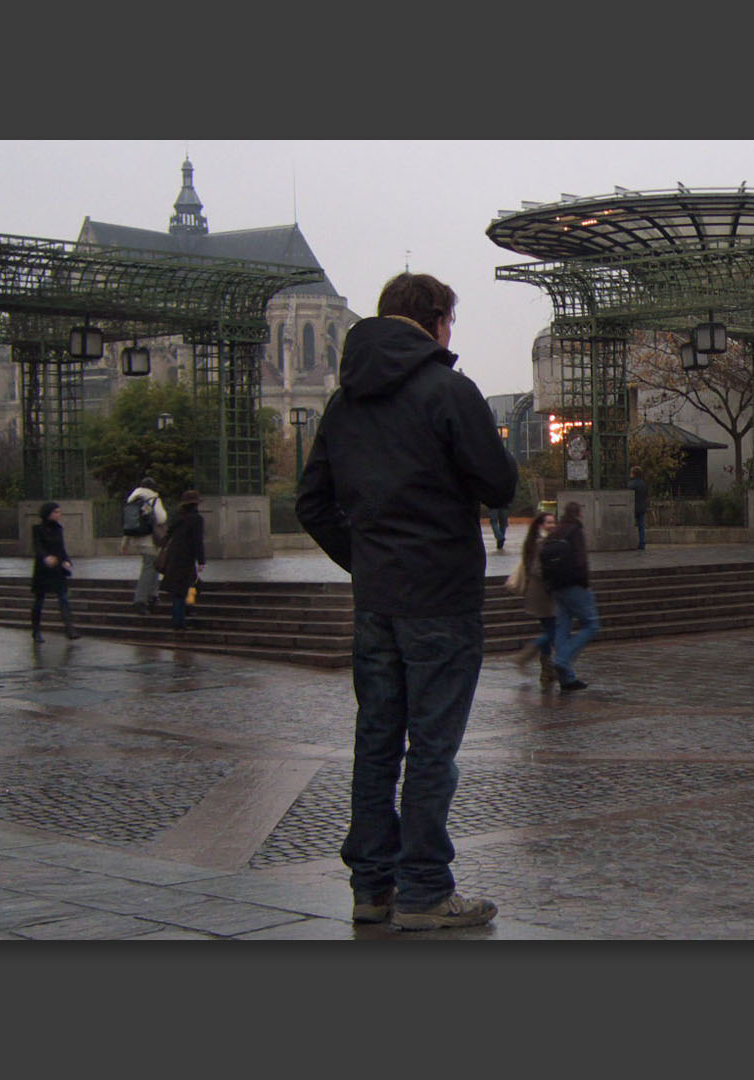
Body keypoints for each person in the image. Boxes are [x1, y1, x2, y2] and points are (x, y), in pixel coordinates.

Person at [296, 271, 519, 931]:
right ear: (436, 320)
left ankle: (372, 887)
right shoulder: (448, 390)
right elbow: (500, 484)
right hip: (442, 598)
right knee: (431, 749)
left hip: (377, 602)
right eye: (451, 321)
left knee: (376, 742)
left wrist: (366, 559)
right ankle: (425, 889)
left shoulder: (343, 404)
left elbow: (311, 503)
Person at [546, 501, 600, 692]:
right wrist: (585, 583)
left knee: (563, 627)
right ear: (578, 514)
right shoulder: (575, 531)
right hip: (575, 585)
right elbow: (580, 560)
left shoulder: (555, 532)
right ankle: (562, 659)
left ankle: (566, 678)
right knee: (591, 624)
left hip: (556, 587)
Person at [513, 511, 559, 688]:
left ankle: (546, 671)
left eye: (553, 522)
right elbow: (538, 569)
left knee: (550, 629)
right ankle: (524, 656)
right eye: (548, 522)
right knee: (553, 631)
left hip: (538, 592)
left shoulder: (535, 540)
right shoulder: (541, 542)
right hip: (542, 593)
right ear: (540, 525)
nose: (552, 525)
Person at [30, 501, 78, 642]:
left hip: (57, 569)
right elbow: (37, 546)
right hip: (43, 570)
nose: (59, 515)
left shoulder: (58, 529)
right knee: (39, 600)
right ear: (48, 514)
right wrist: (46, 557)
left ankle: (70, 629)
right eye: (56, 512)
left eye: (59, 512)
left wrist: (67, 560)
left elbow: (61, 548)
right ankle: (36, 631)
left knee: (63, 598)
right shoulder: (38, 529)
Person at [121, 476, 168, 615]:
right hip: (150, 540)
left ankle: (153, 595)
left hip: (136, 538)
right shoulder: (153, 498)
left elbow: (128, 523)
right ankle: (140, 600)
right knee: (149, 568)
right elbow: (161, 518)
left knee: (153, 566)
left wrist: (125, 543)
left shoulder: (132, 499)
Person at [161, 491, 207, 632]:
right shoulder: (196, 519)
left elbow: (167, 536)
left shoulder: (177, 517)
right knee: (185, 590)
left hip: (173, 557)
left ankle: (185, 614)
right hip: (186, 559)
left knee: (180, 590)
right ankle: (180, 621)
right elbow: (197, 541)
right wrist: (201, 560)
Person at [628, 465, 650, 551]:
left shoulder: (631, 484)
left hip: (633, 507)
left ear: (633, 474)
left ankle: (631, 542)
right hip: (642, 507)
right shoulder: (644, 484)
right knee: (641, 526)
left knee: (631, 525)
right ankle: (642, 543)